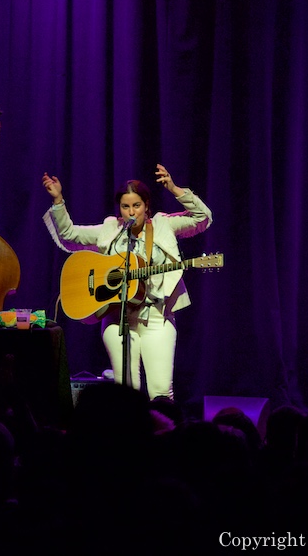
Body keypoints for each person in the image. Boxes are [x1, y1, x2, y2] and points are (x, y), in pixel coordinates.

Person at [41, 165, 211, 401]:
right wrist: (58, 200)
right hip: (117, 319)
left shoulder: (163, 225)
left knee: (160, 392)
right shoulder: (111, 229)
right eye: (125, 207)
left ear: (146, 206)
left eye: (137, 206)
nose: (131, 212)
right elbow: (69, 236)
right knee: (126, 393)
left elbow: (202, 218)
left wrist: (174, 188)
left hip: (157, 317)